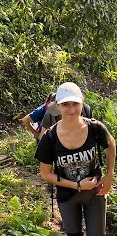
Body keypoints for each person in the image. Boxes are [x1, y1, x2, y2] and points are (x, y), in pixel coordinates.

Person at [35, 82, 116, 236]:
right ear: (57, 106)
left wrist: (109, 175)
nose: (71, 109)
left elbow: (111, 144)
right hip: (66, 195)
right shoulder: (49, 137)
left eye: (75, 104)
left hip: (95, 193)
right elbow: (45, 173)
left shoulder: (95, 128)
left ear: (82, 103)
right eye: (66, 104)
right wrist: (77, 185)